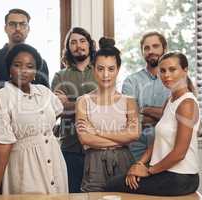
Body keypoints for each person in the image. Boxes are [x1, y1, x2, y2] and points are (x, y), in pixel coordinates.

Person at [106, 52, 200, 196]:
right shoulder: (170, 101)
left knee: (113, 185)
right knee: (119, 181)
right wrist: (139, 165)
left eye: (172, 69)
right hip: (165, 172)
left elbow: (179, 153)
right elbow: (156, 142)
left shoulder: (187, 104)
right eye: (162, 71)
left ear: (185, 70)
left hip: (181, 177)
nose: (166, 75)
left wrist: (148, 171)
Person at [0, 43, 68, 196]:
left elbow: (54, 114)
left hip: (54, 160)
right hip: (25, 166)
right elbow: (3, 143)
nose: (24, 70)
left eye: (30, 66)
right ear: (9, 69)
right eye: (17, 65)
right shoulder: (1, 98)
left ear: (35, 72)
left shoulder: (44, 92)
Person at [75, 37, 139, 192]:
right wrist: (121, 139)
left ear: (118, 69)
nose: (105, 75)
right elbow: (85, 138)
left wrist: (96, 132)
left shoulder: (129, 101)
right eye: (100, 68)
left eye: (111, 69)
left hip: (123, 160)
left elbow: (134, 134)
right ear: (93, 68)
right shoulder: (83, 101)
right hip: (94, 161)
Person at [51, 27, 97, 192]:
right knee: (71, 193)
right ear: (68, 48)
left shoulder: (101, 72)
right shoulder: (60, 76)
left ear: (90, 45)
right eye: (73, 42)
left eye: (82, 41)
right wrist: (90, 103)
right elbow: (57, 110)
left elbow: (105, 106)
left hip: (98, 146)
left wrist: (71, 103)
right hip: (69, 146)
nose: (78, 45)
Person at [122, 31, 170, 161]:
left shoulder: (174, 81)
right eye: (146, 48)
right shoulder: (131, 82)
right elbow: (130, 120)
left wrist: (144, 109)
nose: (151, 51)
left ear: (164, 49)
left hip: (167, 148)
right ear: (142, 52)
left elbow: (176, 115)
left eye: (155, 46)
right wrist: (162, 115)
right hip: (137, 150)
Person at [0, 8, 49, 87]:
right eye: (12, 24)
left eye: (22, 24)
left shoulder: (41, 64)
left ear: (28, 29)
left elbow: (46, 96)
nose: (18, 28)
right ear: (5, 28)